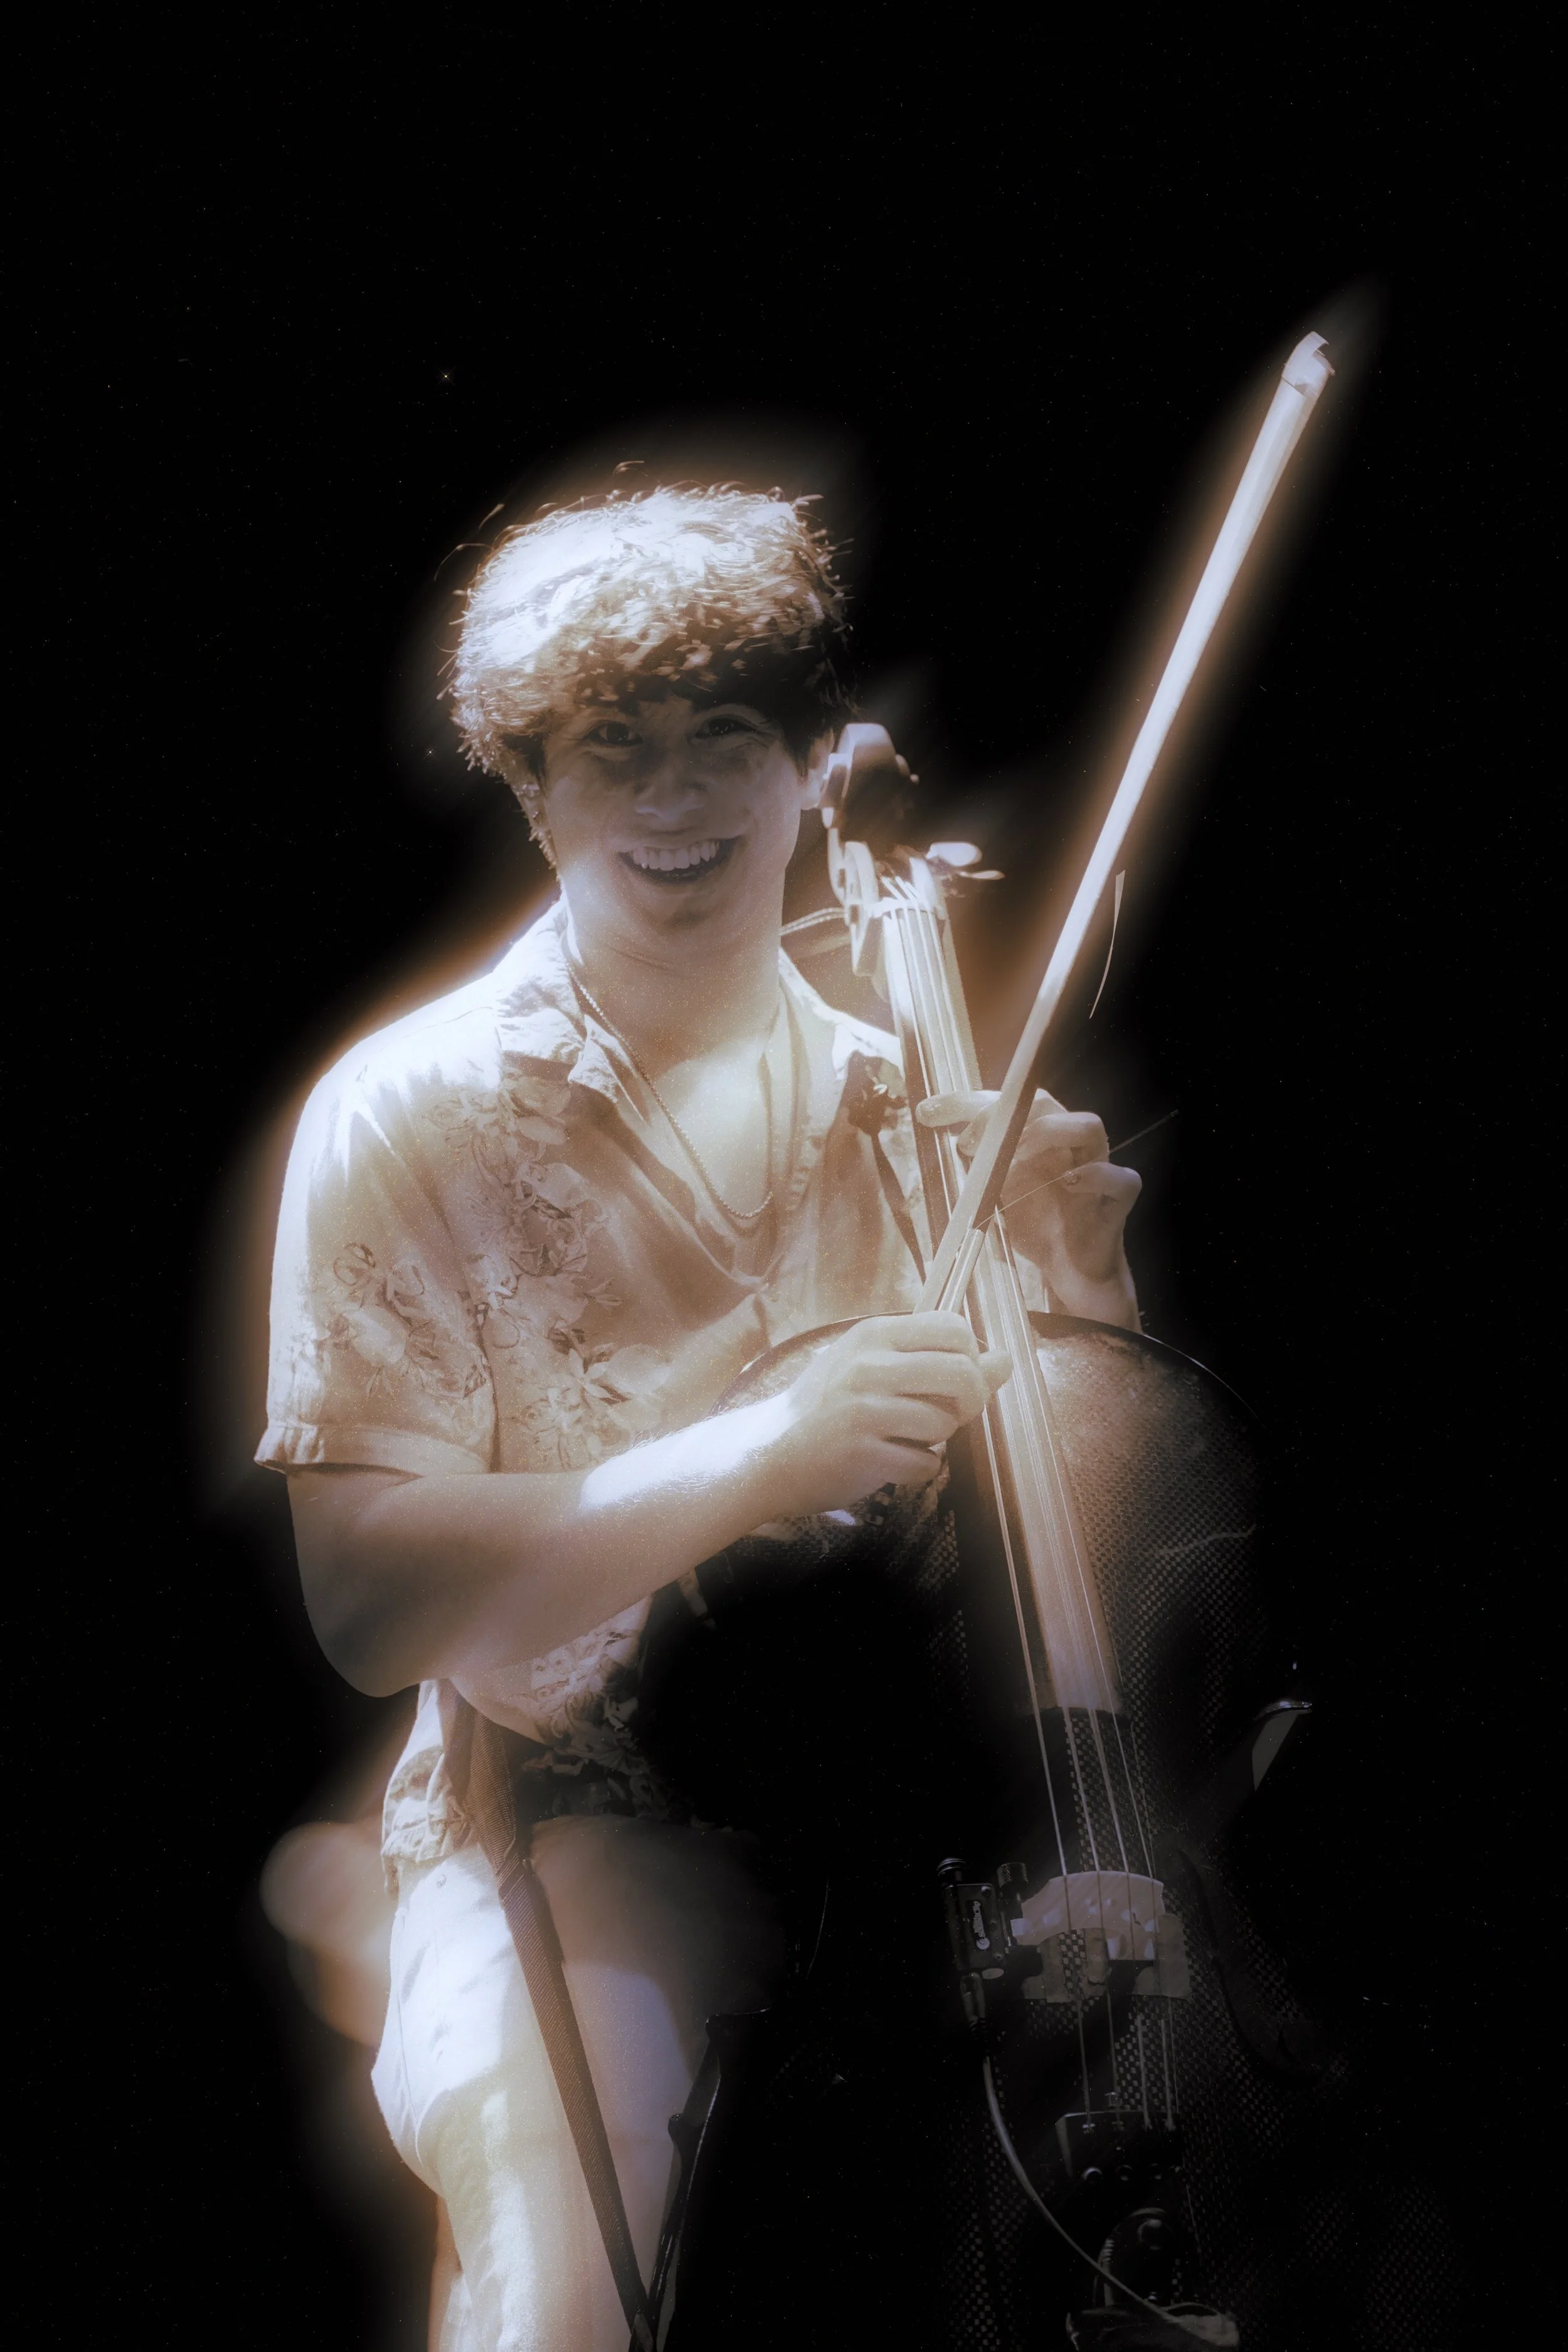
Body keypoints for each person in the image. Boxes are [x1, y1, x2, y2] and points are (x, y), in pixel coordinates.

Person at [258, 485, 1142, 2351]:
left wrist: (1083, 1310)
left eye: (727, 734)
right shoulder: (402, 1111)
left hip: (929, 1830)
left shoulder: (924, 1100)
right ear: (534, 788)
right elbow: (368, 1598)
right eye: (614, 747)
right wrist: (764, 1455)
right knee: (571, 2289)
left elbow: (1083, 1557)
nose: (674, 798)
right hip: (577, 1825)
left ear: (813, 765)